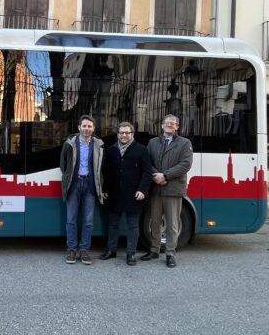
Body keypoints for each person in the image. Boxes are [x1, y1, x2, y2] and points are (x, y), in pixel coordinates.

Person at [142, 114, 193, 268]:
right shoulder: (152, 142)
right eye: (167, 123)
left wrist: (165, 175)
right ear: (162, 125)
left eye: (173, 123)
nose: (170, 125)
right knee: (155, 222)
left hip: (173, 189)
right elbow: (146, 162)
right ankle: (154, 250)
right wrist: (155, 175)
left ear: (177, 127)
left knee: (172, 224)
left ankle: (170, 253)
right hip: (156, 188)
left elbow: (185, 164)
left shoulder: (185, 143)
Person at [99, 122, 151, 266]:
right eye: (121, 132)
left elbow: (147, 172)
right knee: (113, 224)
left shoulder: (141, 150)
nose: (124, 135)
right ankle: (111, 250)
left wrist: (142, 190)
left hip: (134, 193)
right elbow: (106, 172)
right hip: (114, 193)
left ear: (132, 134)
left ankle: (131, 254)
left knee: (132, 225)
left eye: (127, 133)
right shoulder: (111, 150)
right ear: (117, 135)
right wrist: (105, 190)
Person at [60, 115, 104, 265]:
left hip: (90, 185)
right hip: (74, 184)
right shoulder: (69, 143)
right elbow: (63, 165)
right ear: (79, 127)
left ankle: (84, 250)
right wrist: (70, 178)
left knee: (88, 221)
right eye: (84, 126)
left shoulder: (99, 144)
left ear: (93, 129)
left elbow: (100, 168)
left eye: (89, 126)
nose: (87, 129)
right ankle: (72, 250)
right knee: (71, 220)